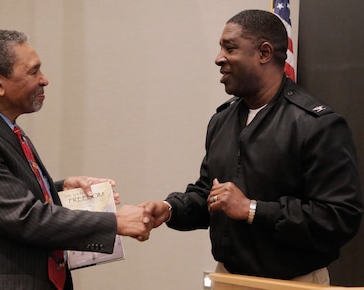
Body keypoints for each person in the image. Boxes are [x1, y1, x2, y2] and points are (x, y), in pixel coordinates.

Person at [142, 9, 363, 284]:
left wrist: (252, 210)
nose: (218, 58)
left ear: (264, 53)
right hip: (228, 277)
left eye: (230, 47)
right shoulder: (222, 120)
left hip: (293, 282)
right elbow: (210, 194)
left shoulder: (316, 124)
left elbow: (339, 217)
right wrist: (170, 209)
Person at [0, 30, 152, 290]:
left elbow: (7, 194)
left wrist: (57, 190)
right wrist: (115, 222)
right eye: (33, 72)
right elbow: (22, 217)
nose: (44, 80)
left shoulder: (4, 127)